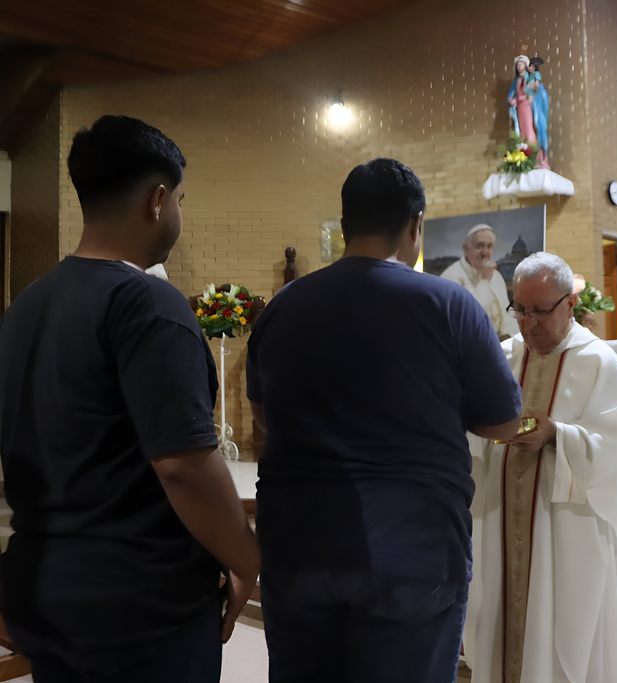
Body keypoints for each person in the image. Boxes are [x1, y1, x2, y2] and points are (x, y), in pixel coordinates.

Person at [0, 115, 260, 682]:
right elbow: (185, 465)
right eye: (181, 200)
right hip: (137, 602)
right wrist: (246, 559)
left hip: (46, 585)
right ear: (158, 199)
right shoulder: (148, 303)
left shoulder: (26, 305)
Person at [246, 158, 523, 682]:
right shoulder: (449, 304)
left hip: (299, 545)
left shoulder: (282, 307)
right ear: (416, 225)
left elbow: (264, 418)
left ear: (345, 223)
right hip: (413, 549)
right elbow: (502, 424)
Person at [464, 252, 617, 683]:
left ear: (570, 303)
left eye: (541, 310)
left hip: (565, 532)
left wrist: (557, 434)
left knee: (562, 631)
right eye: (521, 309)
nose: (529, 323)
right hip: (500, 523)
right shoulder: (500, 357)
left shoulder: (598, 363)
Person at [440, 224, 518, 340]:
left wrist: (513, 338)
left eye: (489, 246)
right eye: (479, 246)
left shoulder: (496, 276)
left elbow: (507, 314)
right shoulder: (450, 277)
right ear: (465, 249)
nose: (485, 252)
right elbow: (469, 320)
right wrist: (485, 280)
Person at [507, 56, 550, 170]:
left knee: (530, 130)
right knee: (523, 132)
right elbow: (512, 95)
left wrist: (526, 96)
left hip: (528, 107)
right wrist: (512, 100)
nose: (519, 66)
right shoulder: (516, 81)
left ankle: (537, 156)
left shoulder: (530, 77)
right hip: (520, 108)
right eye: (517, 64)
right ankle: (526, 155)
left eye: (521, 64)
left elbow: (535, 90)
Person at [526, 57, 550, 169]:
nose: (529, 68)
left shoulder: (536, 75)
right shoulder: (528, 77)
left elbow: (536, 86)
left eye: (531, 66)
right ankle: (537, 157)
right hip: (533, 101)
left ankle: (543, 157)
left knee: (540, 124)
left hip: (538, 99)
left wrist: (526, 88)